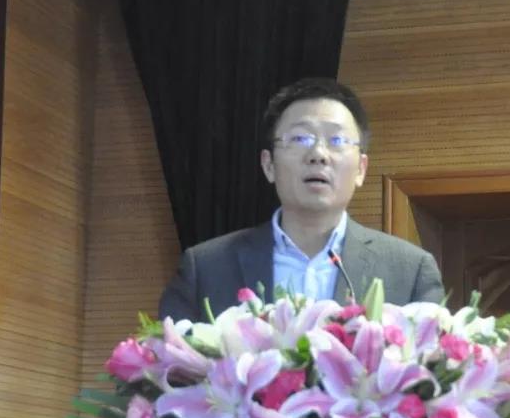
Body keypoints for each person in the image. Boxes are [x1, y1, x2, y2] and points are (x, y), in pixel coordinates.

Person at [159, 77, 444, 322]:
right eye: (299, 139)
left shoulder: (410, 271)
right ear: (268, 165)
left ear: (361, 168)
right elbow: (169, 364)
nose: (318, 154)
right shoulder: (206, 268)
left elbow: (431, 365)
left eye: (337, 141)